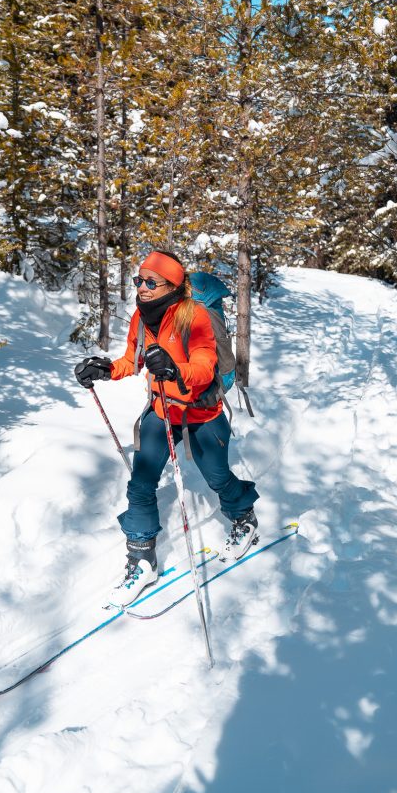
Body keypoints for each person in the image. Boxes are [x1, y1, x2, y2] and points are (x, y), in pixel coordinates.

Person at [74, 250, 258, 606]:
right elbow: (132, 359)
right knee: (141, 482)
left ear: (173, 286)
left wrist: (175, 369)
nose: (141, 287)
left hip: (201, 412)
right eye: (137, 280)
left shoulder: (197, 316)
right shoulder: (141, 319)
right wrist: (105, 370)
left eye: (150, 281)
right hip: (162, 410)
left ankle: (243, 517)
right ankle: (142, 560)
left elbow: (205, 366)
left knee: (217, 477)